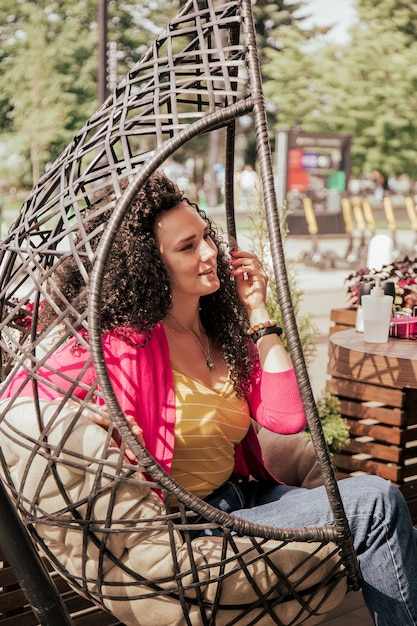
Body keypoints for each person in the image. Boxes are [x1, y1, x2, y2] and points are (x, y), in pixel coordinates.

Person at [4, 171, 417, 625]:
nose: (210, 253)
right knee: (376, 502)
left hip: (251, 498)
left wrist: (259, 311)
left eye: (205, 237)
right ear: (146, 265)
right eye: (187, 247)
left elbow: (286, 418)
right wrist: (95, 417)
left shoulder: (222, 335)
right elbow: (25, 396)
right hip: (197, 524)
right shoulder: (118, 347)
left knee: (389, 522)